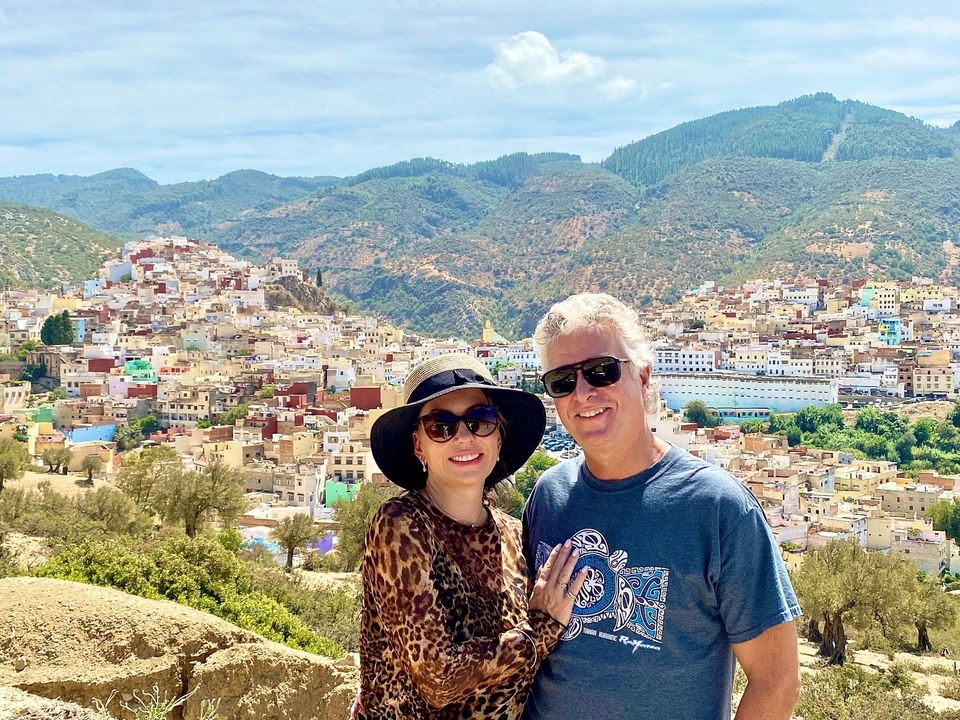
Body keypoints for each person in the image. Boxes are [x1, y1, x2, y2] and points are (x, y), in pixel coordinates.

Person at [523, 293, 802, 720]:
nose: (582, 393)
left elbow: (776, 681)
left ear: (644, 377)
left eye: (601, 372)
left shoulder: (718, 508)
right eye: (562, 380)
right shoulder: (549, 495)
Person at [359, 354, 586, 719]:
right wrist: (542, 632)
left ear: (498, 436)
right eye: (441, 425)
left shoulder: (514, 535)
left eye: (480, 421)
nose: (464, 437)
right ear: (419, 446)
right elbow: (438, 677)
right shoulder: (402, 525)